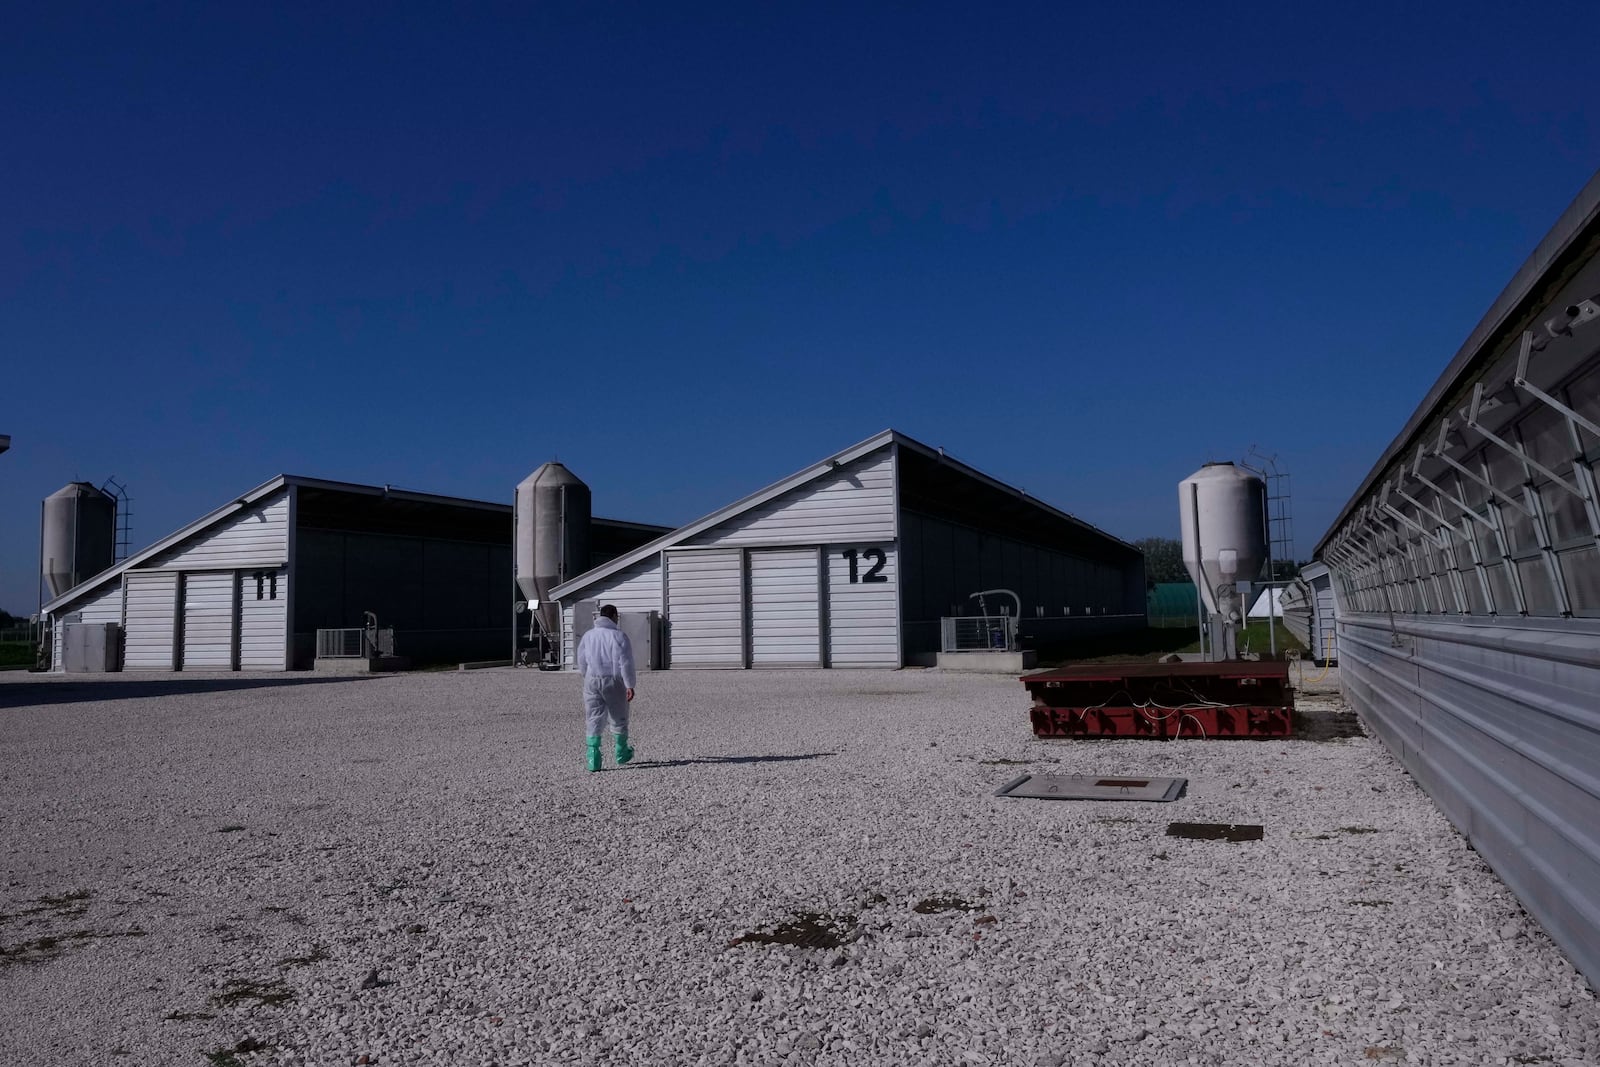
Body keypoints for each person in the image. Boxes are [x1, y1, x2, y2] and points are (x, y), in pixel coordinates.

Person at [574, 604, 637, 772]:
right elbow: (626, 663)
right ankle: (621, 752)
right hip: (614, 680)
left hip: (592, 679)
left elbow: (581, 659)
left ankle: (593, 756)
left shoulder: (588, 636)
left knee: (593, 716)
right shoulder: (619, 636)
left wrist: (586, 675)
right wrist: (630, 684)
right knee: (618, 715)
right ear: (614, 616)